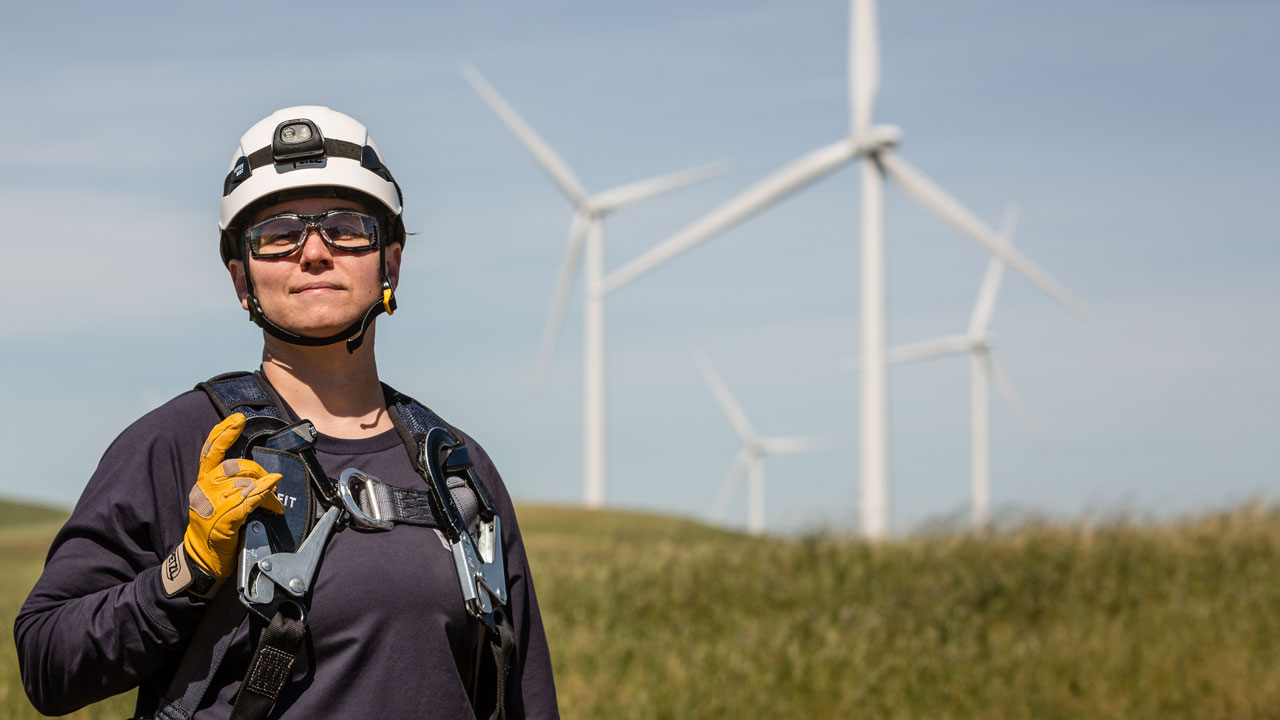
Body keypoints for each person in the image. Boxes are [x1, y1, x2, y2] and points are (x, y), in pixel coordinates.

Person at [14, 106, 559, 719]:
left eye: (348, 227)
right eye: (277, 234)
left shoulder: (457, 469)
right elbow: (46, 662)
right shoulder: (180, 443)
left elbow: (524, 695)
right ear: (241, 278)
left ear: (392, 262)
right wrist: (185, 572)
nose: (315, 252)